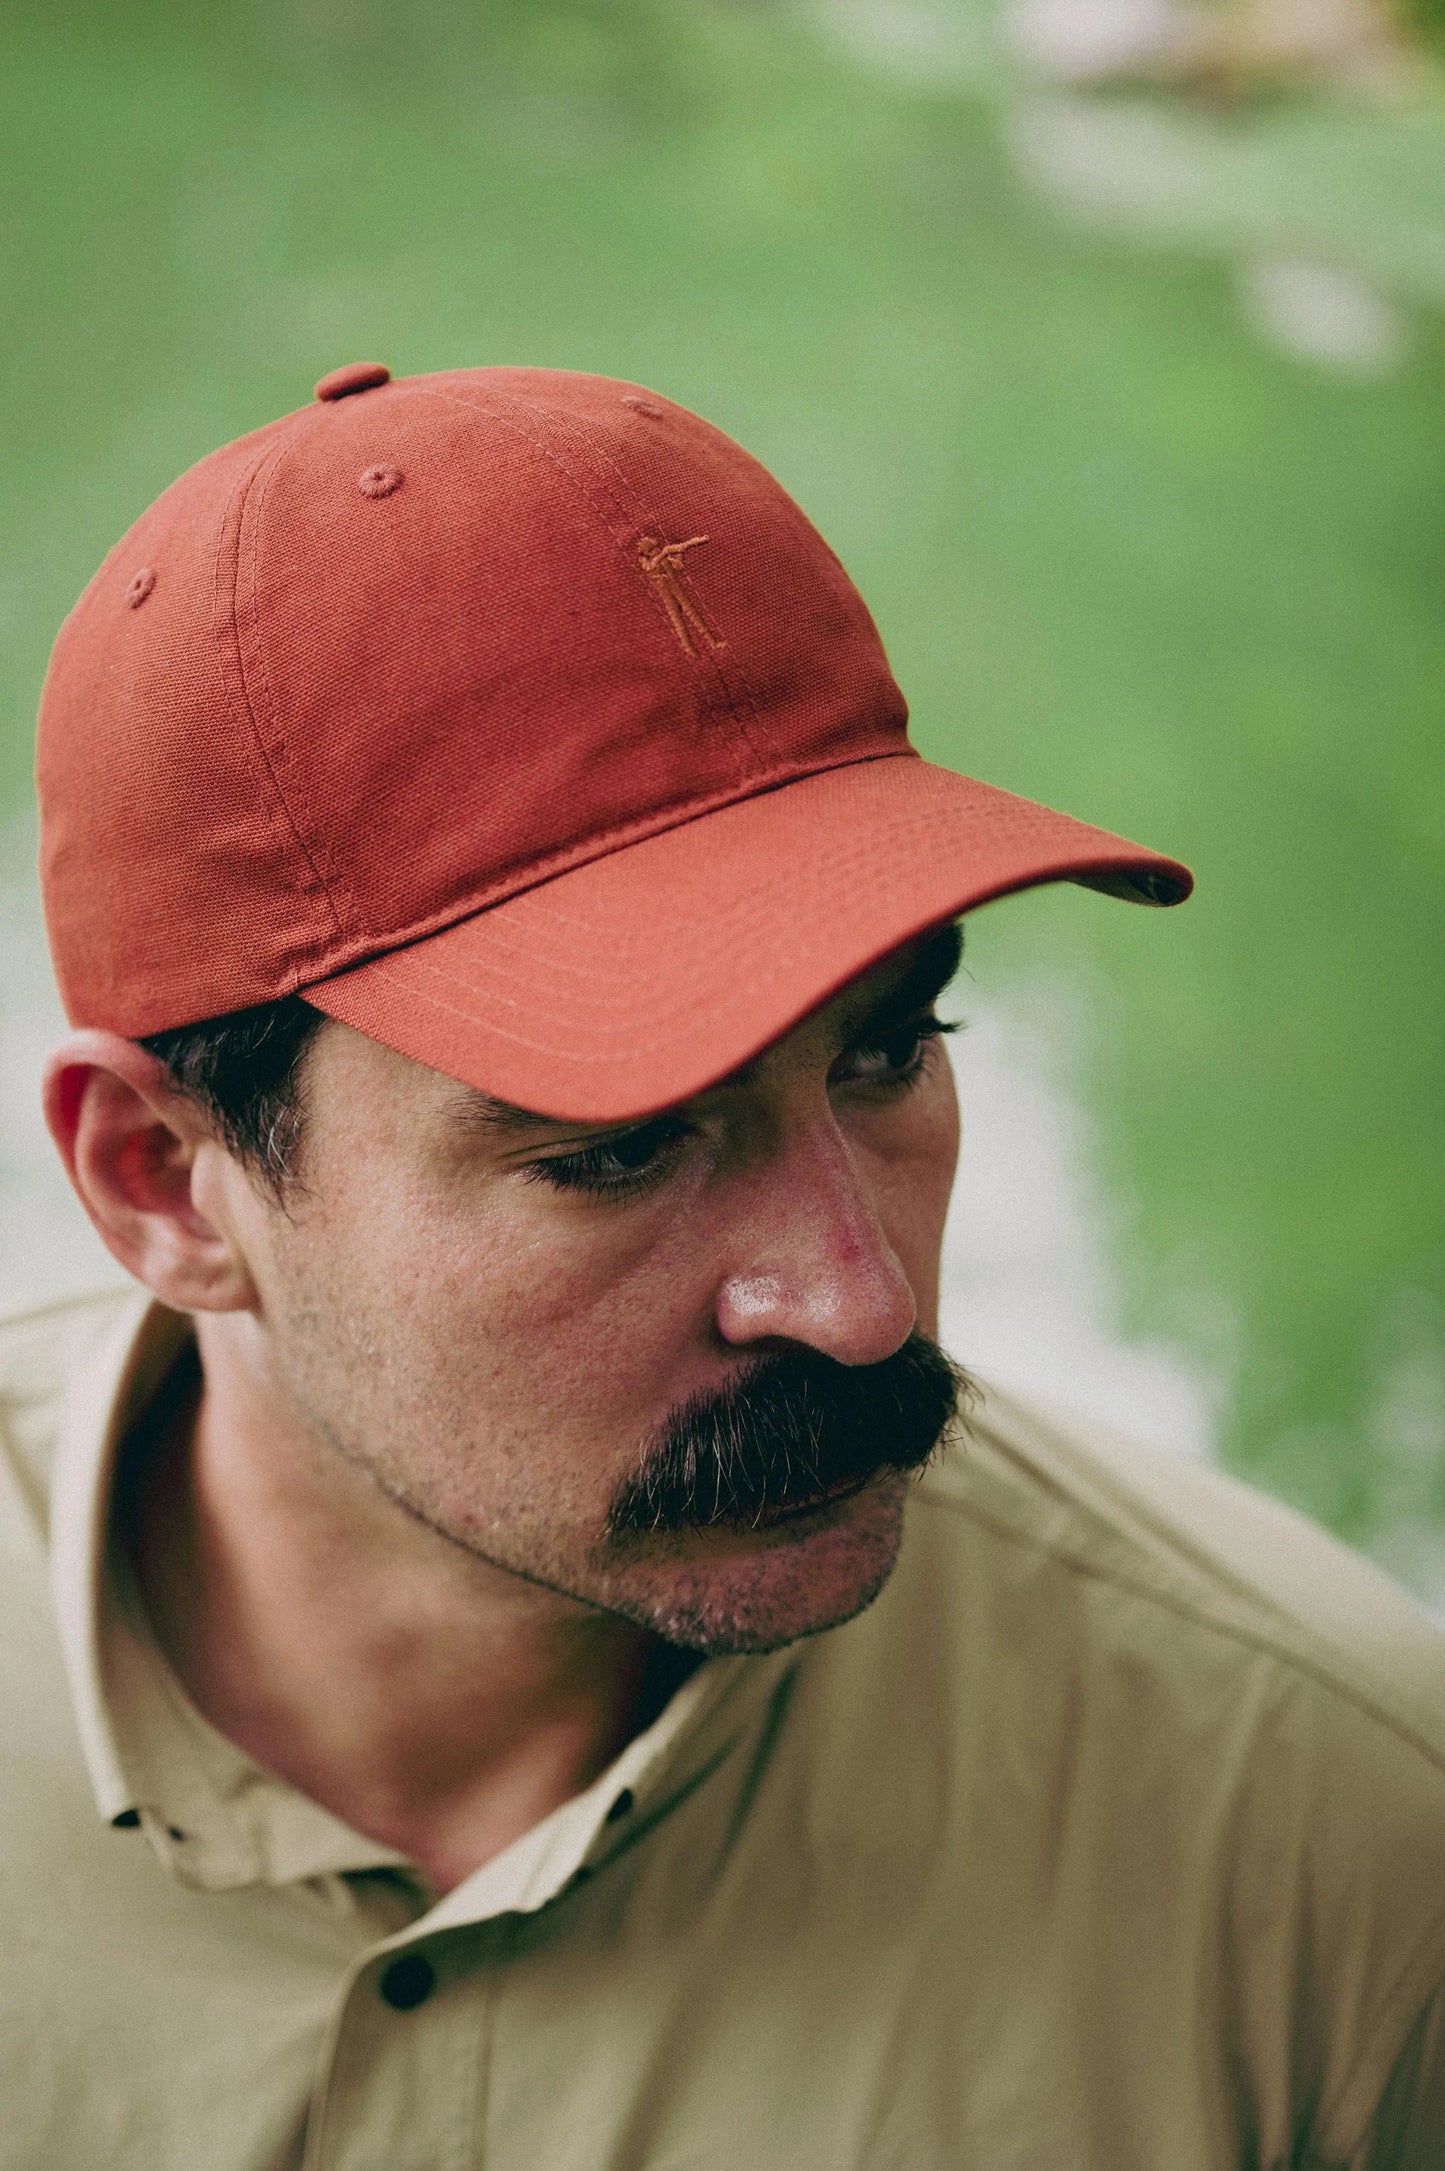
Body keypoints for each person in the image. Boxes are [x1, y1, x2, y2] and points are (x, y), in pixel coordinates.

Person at [5, 360, 1443, 2170]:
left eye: (886, 1053)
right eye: (612, 1150)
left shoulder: (1331, 1841)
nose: (860, 1303)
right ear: (162, 1185)